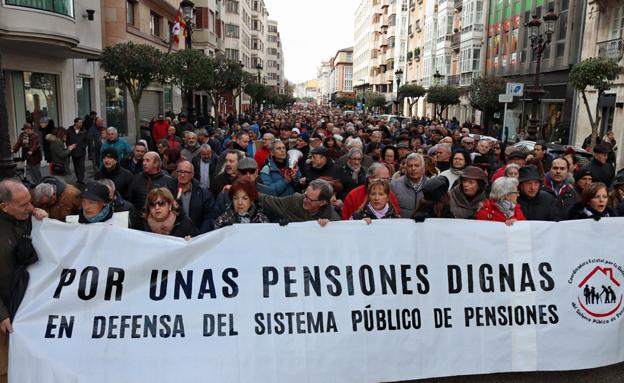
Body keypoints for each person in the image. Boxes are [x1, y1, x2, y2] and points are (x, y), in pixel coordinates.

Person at [0, 180, 47, 383]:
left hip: (27, 306)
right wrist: (1, 314)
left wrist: (36, 212)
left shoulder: (25, 216)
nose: (29, 207)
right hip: (5, 313)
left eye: (31, 202)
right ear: (4, 207)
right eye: (23, 205)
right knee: (5, 367)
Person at [257, 178, 340, 225]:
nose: (305, 200)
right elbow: (268, 200)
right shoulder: (294, 200)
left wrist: (329, 226)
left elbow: (339, 233)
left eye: (310, 199)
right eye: (305, 195)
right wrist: (249, 191)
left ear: (322, 202)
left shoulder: (331, 215)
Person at [131, 187, 198, 239]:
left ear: (170, 205)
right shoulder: (140, 225)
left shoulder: (184, 223)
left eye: (161, 203)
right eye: (152, 204)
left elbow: (198, 244)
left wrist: (190, 241)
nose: (156, 207)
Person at [175, 161, 214, 233]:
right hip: (175, 236)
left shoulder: (203, 192)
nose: (182, 175)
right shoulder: (170, 189)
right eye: (180, 171)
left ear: (192, 174)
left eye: (186, 172)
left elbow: (209, 216)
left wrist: (200, 235)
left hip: (196, 234)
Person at [391, 153, 428, 218]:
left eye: (416, 165)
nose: (413, 168)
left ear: (423, 168)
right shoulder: (394, 185)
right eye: (410, 166)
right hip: (402, 226)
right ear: (406, 168)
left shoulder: (431, 185)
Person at [66, 118, 89, 185]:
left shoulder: (84, 131)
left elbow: (86, 140)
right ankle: (78, 178)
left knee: (81, 166)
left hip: (82, 152)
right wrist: (69, 146)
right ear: (75, 123)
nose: (81, 124)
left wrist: (83, 146)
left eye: (81, 123)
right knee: (76, 166)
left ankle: (81, 179)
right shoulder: (69, 130)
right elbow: (67, 140)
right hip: (73, 151)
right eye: (80, 122)